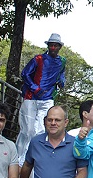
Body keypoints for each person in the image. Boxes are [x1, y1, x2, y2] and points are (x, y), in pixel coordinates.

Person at [16, 32, 66, 164]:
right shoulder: (38, 59)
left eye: (56, 45)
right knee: (27, 130)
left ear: (60, 47)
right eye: (51, 45)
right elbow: (25, 74)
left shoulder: (62, 62)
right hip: (31, 98)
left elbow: (61, 74)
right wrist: (35, 88)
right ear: (48, 46)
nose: (53, 48)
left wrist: (61, 82)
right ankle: (19, 159)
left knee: (41, 129)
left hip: (48, 98)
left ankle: (33, 159)